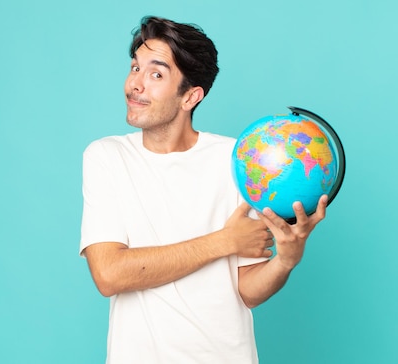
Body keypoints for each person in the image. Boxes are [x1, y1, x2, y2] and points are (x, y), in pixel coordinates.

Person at [80, 15, 328, 364]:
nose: (134, 84)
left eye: (156, 74)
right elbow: (109, 274)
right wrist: (224, 241)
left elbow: (246, 290)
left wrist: (285, 262)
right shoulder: (107, 157)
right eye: (135, 67)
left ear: (190, 97)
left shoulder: (238, 161)